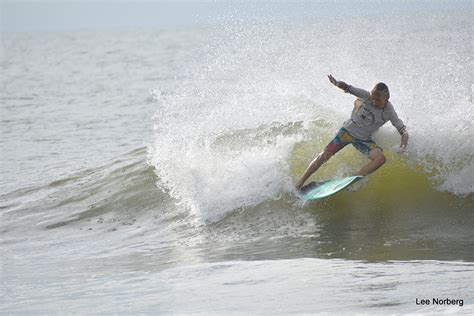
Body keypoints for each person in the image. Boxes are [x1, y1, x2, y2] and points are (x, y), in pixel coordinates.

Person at [295, 74, 409, 190]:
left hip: (363, 140)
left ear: (387, 98)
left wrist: (403, 146)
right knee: (325, 155)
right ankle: (300, 183)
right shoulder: (366, 96)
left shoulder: (389, 112)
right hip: (346, 133)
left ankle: (348, 181)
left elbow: (403, 131)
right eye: (372, 98)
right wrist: (337, 83)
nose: (374, 102)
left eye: (377, 100)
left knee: (380, 159)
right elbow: (349, 88)